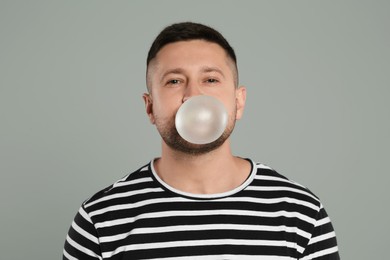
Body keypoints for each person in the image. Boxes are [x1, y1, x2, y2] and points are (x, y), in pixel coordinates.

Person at [63, 22, 340, 260]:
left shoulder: (301, 213)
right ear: (149, 107)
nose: (193, 95)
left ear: (238, 101)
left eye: (210, 79)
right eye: (173, 81)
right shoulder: (100, 219)